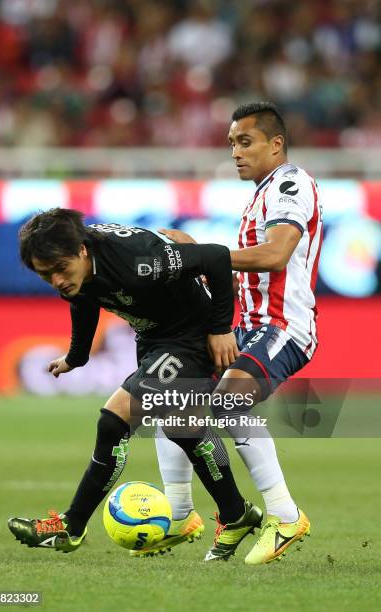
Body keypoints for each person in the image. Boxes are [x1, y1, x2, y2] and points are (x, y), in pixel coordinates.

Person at [8, 208, 263, 554]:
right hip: (155, 338)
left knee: (113, 420)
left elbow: (216, 257)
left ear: (83, 251)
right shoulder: (78, 268)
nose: (56, 281)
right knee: (182, 427)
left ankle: (71, 526)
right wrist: (76, 357)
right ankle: (236, 514)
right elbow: (84, 300)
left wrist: (220, 329)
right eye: (45, 275)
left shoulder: (140, 262)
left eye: (60, 270)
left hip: (191, 336)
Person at [157, 101, 323, 564]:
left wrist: (201, 256)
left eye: (245, 141)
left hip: (283, 327)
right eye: (231, 142)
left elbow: (274, 256)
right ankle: (182, 514)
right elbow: (241, 274)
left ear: (276, 144)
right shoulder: (259, 195)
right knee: (170, 398)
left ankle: (285, 515)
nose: (235, 152)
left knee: (230, 402)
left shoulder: (291, 183)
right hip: (246, 329)